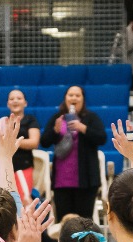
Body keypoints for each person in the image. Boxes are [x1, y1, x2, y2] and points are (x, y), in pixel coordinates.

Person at [41, 85, 108, 221]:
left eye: (77, 95)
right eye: (70, 95)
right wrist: (55, 130)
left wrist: (83, 128)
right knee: (64, 222)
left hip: (86, 180)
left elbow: (102, 138)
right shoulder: (57, 118)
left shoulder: (90, 117)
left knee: (84, 221)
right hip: (62, 181)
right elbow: (44, 142)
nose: (74, 98)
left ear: (83, 99)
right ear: (65, 98)